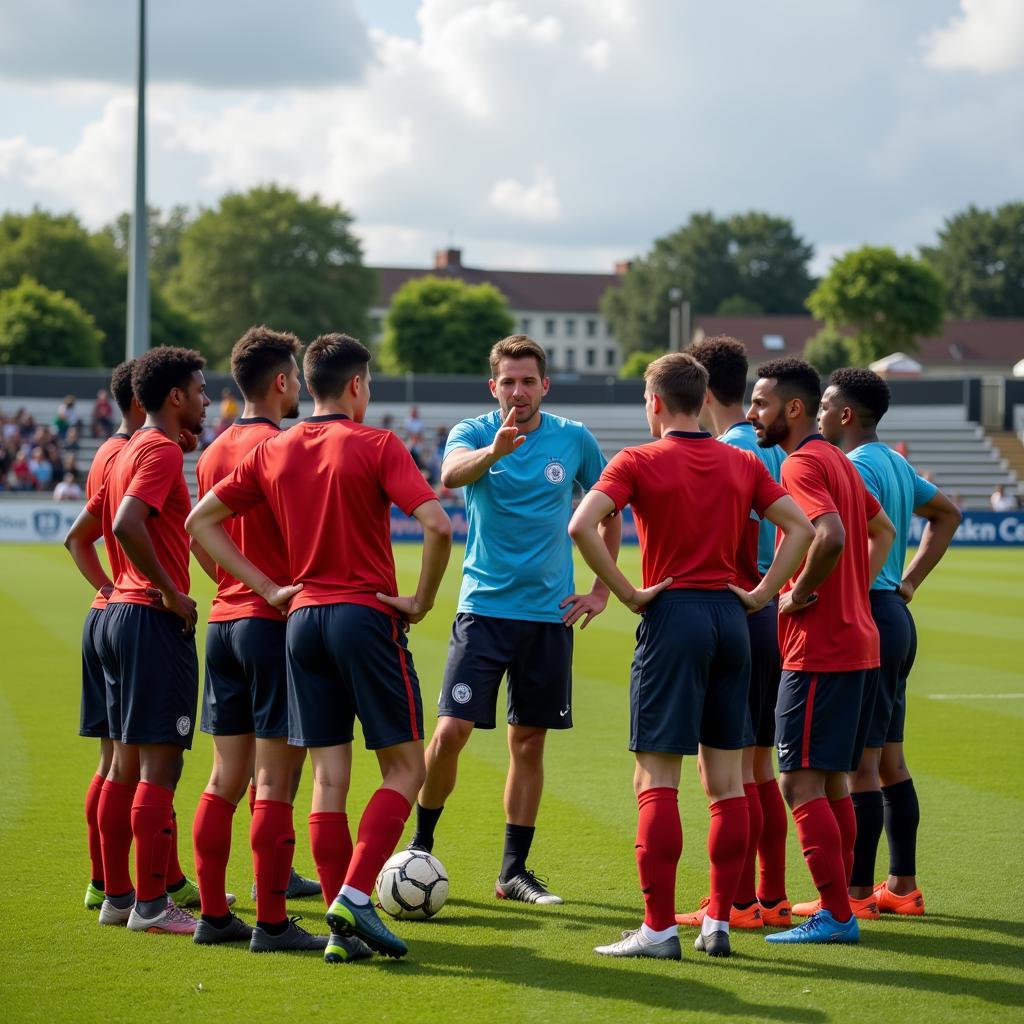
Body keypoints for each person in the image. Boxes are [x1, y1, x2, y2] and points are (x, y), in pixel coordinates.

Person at [186, 333, 451, 963]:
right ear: (357, 386)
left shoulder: (276, 449)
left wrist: (269, 587)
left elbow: (201, 523)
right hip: (363, 615)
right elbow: (438, 523)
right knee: (407, 769)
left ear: (306, 385)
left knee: (329, 778)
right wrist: (420, 600)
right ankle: (354, 896)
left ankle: (339, 932)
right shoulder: (377, 443)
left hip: (299, 622)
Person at [569, 352, 813, 960]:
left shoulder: (637, 460)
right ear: (704, 401)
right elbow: (802, 529)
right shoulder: (740, 461)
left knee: (656, 777)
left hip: (672, 616)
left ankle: (657, 930)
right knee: (727, 783)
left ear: (654, 402)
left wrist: (626, 593)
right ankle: (720, 923)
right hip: (732, 619)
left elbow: (582, 525)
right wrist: (762, 592)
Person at [407, 334, 619, 906]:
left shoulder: (573, 439)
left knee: (528, 744)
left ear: (544, 385)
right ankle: (419, 848)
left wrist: (601, 589)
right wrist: (496, 453)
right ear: (493, 386)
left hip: (547, 618)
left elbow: (610, 508)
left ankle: (513, 872)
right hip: (483, 612)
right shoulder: (473, 433)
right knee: (450, 732)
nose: (519, 391)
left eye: (529, 381)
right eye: (509, 381)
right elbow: (450, 476)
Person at [743, 357, 895, 945]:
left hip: (821, 648)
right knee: (832, 783)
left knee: (799, 783)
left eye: (762, 403)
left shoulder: (805, 462)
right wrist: (851, 588)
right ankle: (843, 903)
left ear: (794, 408)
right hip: (858, 640)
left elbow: (827, 535)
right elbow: (880, 532)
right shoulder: (837, 459)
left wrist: (796, 593)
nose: (754, 414)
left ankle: (835, 914)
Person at [188, 326, 327, 951]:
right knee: (273, 782)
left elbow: (201, 533)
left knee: (224, 777)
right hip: (273, 626)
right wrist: (272, 586)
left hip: (223, 624)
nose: (298, 386)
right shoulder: (290, 445)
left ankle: (215, 915)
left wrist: (233, 583)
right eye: (295, 376)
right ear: (280, 383)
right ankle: (271, 921)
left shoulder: (212, 450)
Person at [76, 347, 210, 935]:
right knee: (160, 770)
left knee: (121, 766)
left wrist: (115, 586)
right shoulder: (155, 449)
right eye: (201, 390)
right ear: (175, 397)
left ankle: (117, 895)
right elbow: (128, 524)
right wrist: (170, 592)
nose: (208, 399)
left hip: (117, 615)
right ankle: (152, 907)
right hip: (149, 623)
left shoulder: (122, 450)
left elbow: (89, 533)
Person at [818, 368, 960, 917]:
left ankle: (855, 895)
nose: (820, 413)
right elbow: (946, 514)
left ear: (846, 414)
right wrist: (910, 583)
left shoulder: (853, 467)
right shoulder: (896, 463)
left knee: (860, 766)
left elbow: (847, 543)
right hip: (895, 614)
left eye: (826, 405)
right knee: (890, 763)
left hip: (868, 617)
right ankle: (901, 886)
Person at [677, 336, 792, 931]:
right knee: (759, 767)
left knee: (725, 771)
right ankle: (770, 896)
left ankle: (740, 900)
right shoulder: (776, 446)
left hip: (737, 611)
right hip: (774, 614)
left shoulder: (733, 450)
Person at [64, 361, 145, 912]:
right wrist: (118, 588)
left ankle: (105, 880)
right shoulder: (130, 454)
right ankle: (123, 887)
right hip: (128, 614)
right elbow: (94, 534)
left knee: (111, 760)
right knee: (132, 765)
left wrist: (105, 588)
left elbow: (77, 537)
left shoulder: (104, 453)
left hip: (102, 614)